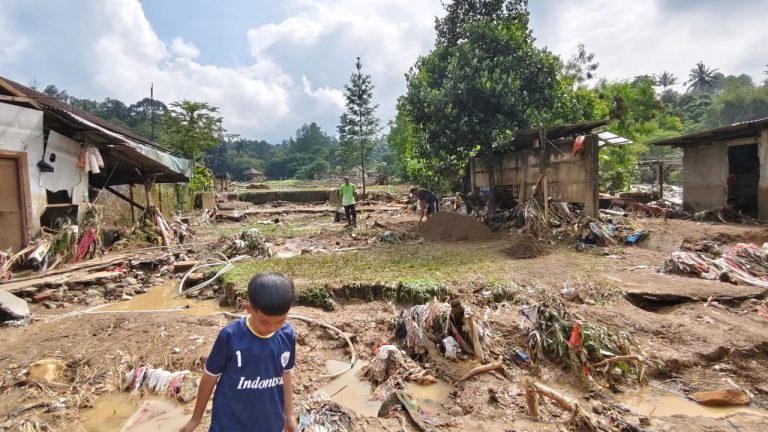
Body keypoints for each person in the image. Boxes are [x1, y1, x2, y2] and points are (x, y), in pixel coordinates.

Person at [180, 273, 298, 432]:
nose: (271, 328)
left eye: (280, 321)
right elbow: (210, 376)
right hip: (229, 423)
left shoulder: (287, 335)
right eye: (264, 322)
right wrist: (195, 419)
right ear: (248, 309)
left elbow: (286, 375)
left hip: (269, 422)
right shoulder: (230, 336)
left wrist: (289, 416)